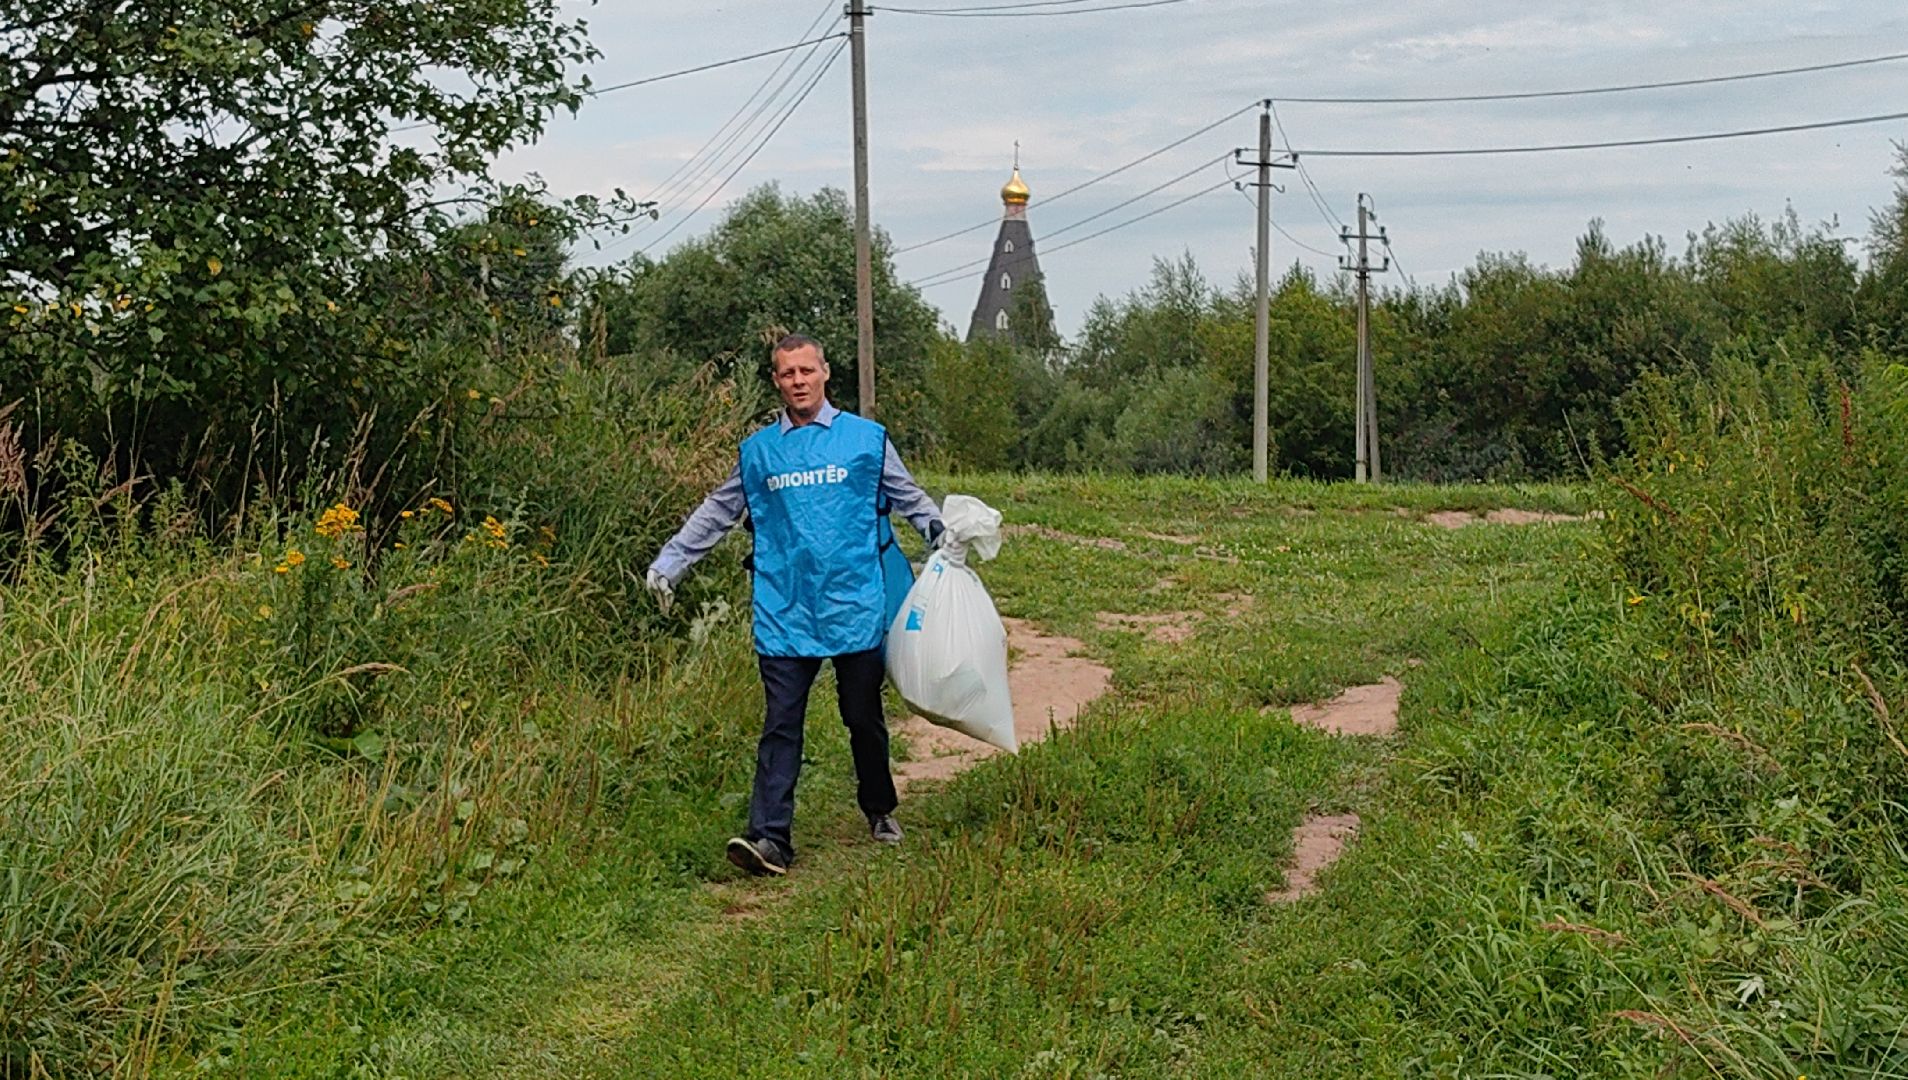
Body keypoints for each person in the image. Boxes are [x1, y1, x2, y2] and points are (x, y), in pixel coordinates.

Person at [645, 333, 944, 877]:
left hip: (855, 604)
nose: (799, 381)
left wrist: (940, 532)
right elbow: (718, 511)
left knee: (862, 716)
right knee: (781, 723)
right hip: (785, 607)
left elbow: (907, 496)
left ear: (826, 373)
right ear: (776, 381)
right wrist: (669, 564)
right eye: (787, 374)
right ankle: (770, 839)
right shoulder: (759, 453)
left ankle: (879, 809)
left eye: (807, 371)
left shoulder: (866, 441)